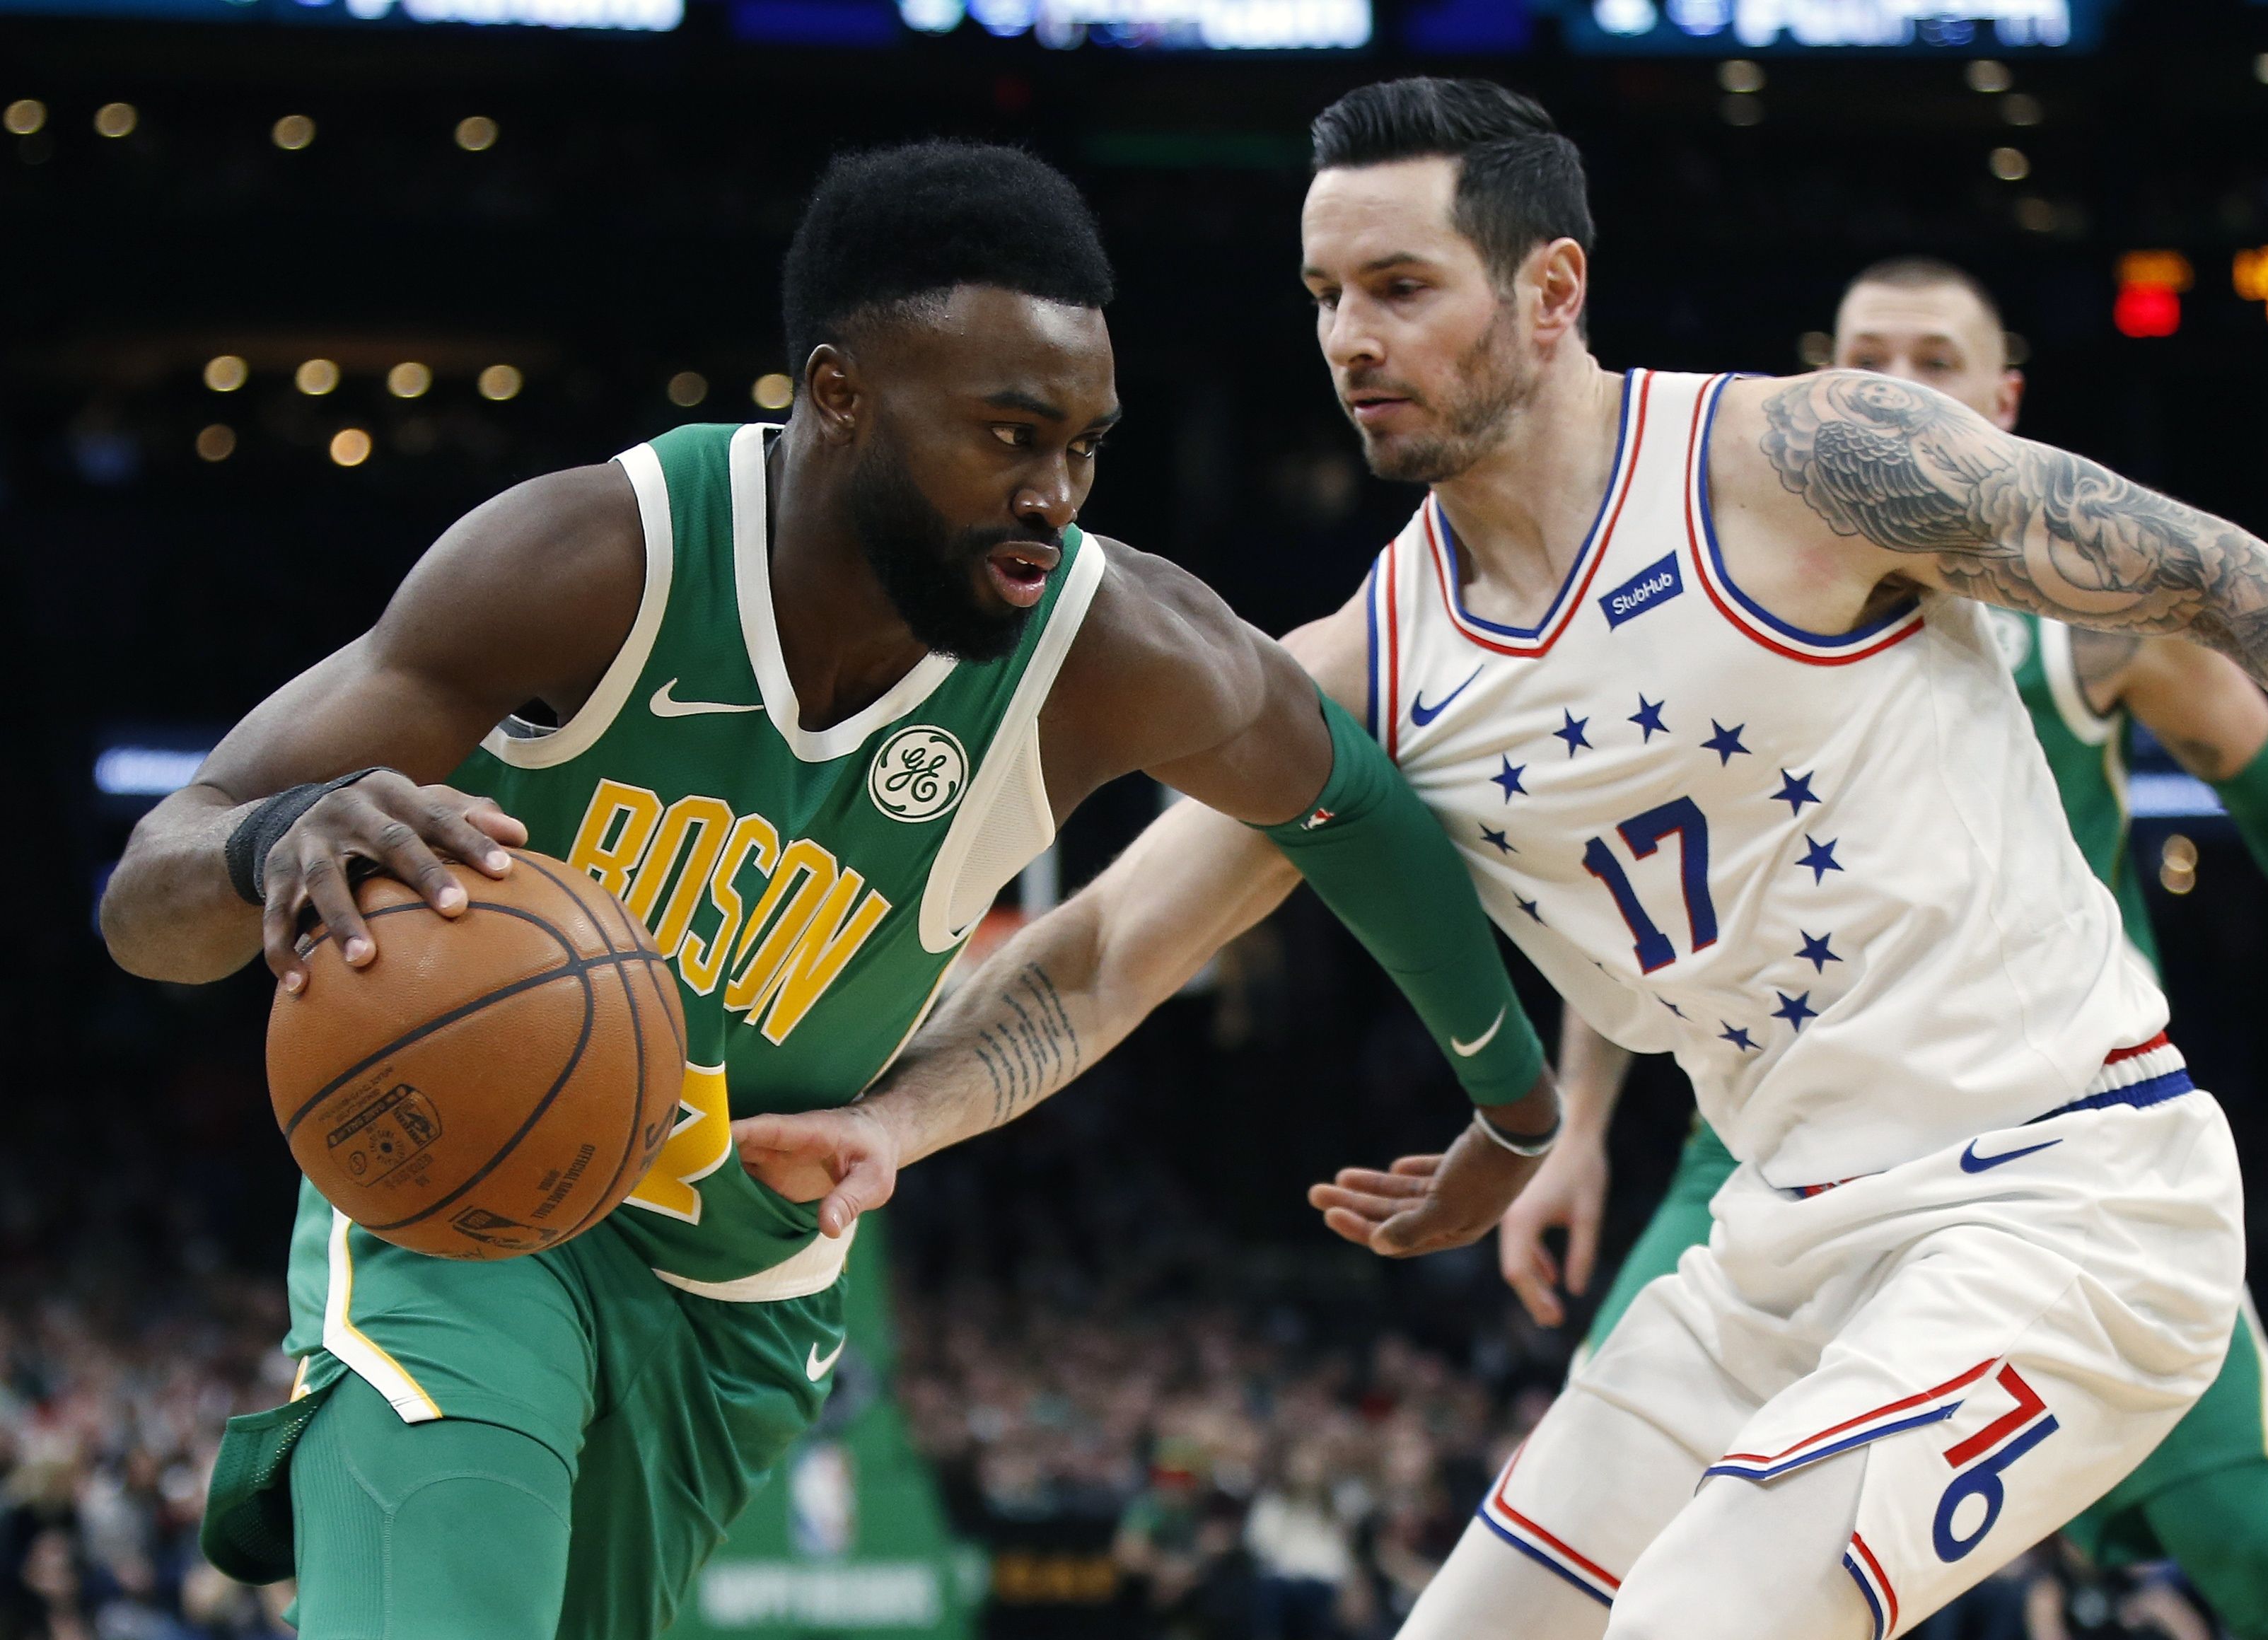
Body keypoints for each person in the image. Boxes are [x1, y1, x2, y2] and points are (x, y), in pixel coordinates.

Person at [738, 80, 2268, 1640]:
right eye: (1325, 295)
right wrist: (895, 1118)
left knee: (1702, 1617)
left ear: (1549, 291)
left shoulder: (1795, 464)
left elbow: (2233, 583)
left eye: (1400, 286)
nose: (1348, 337)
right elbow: (1113, 943)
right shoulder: (1367, 661)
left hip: (2061, 1198)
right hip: (1774, 1248)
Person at [98, 141, 1557, 1639]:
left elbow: (1350, 801)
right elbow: (148, 893)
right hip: (464, 1204)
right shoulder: (593, 559)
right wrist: (266, 834)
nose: (1050, 491)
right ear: (838, 393)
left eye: (1082, 443)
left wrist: (1511, 1100)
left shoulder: (1117, 644)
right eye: (1007, 431)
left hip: (739, 1279)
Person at [1493, 255, 2268, 1640]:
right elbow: (1648, 901)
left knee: (2256, 1558)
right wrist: (1577, 1123)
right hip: (1764, 1158)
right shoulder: (1714, 613)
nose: (1893, 388)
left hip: (2038, 1143)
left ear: (2002, 401)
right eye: (1862, 356)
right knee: (1591, 1557)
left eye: (1934, 361)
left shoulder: (2091, 624)